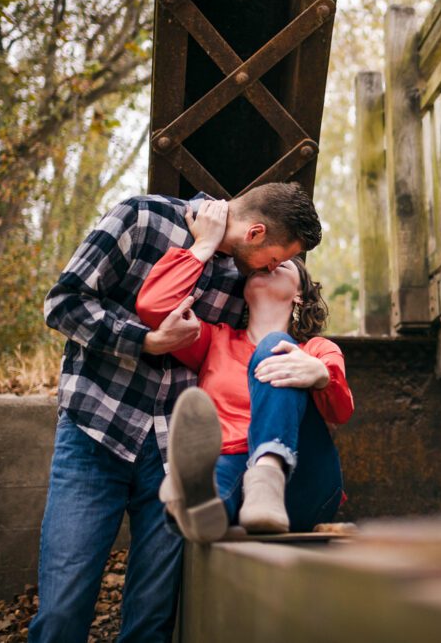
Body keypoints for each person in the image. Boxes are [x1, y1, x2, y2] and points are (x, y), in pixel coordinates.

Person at [31, 183, 322, 643]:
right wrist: (143, 341)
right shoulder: (142, 217)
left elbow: (258, 343)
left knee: (151, 622)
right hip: (99, 432)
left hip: (178, 458)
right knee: (62, 612)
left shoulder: (246, 278)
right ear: (256, 232)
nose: (272, 268)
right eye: (273, 257)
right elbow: (63, 303)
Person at [134, 198, 353, 541]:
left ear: (299, 295)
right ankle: (202, 510)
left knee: (276, 347)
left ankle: (268, 469)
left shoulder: (317, 350)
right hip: (233, 467)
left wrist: (322, 376)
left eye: (282, 265)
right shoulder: (214, 341)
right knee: (211, 489)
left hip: (303, 480)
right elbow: (155, 308)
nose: (269, 266)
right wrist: (202, 247)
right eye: (265, 264)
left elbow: (341, 411)